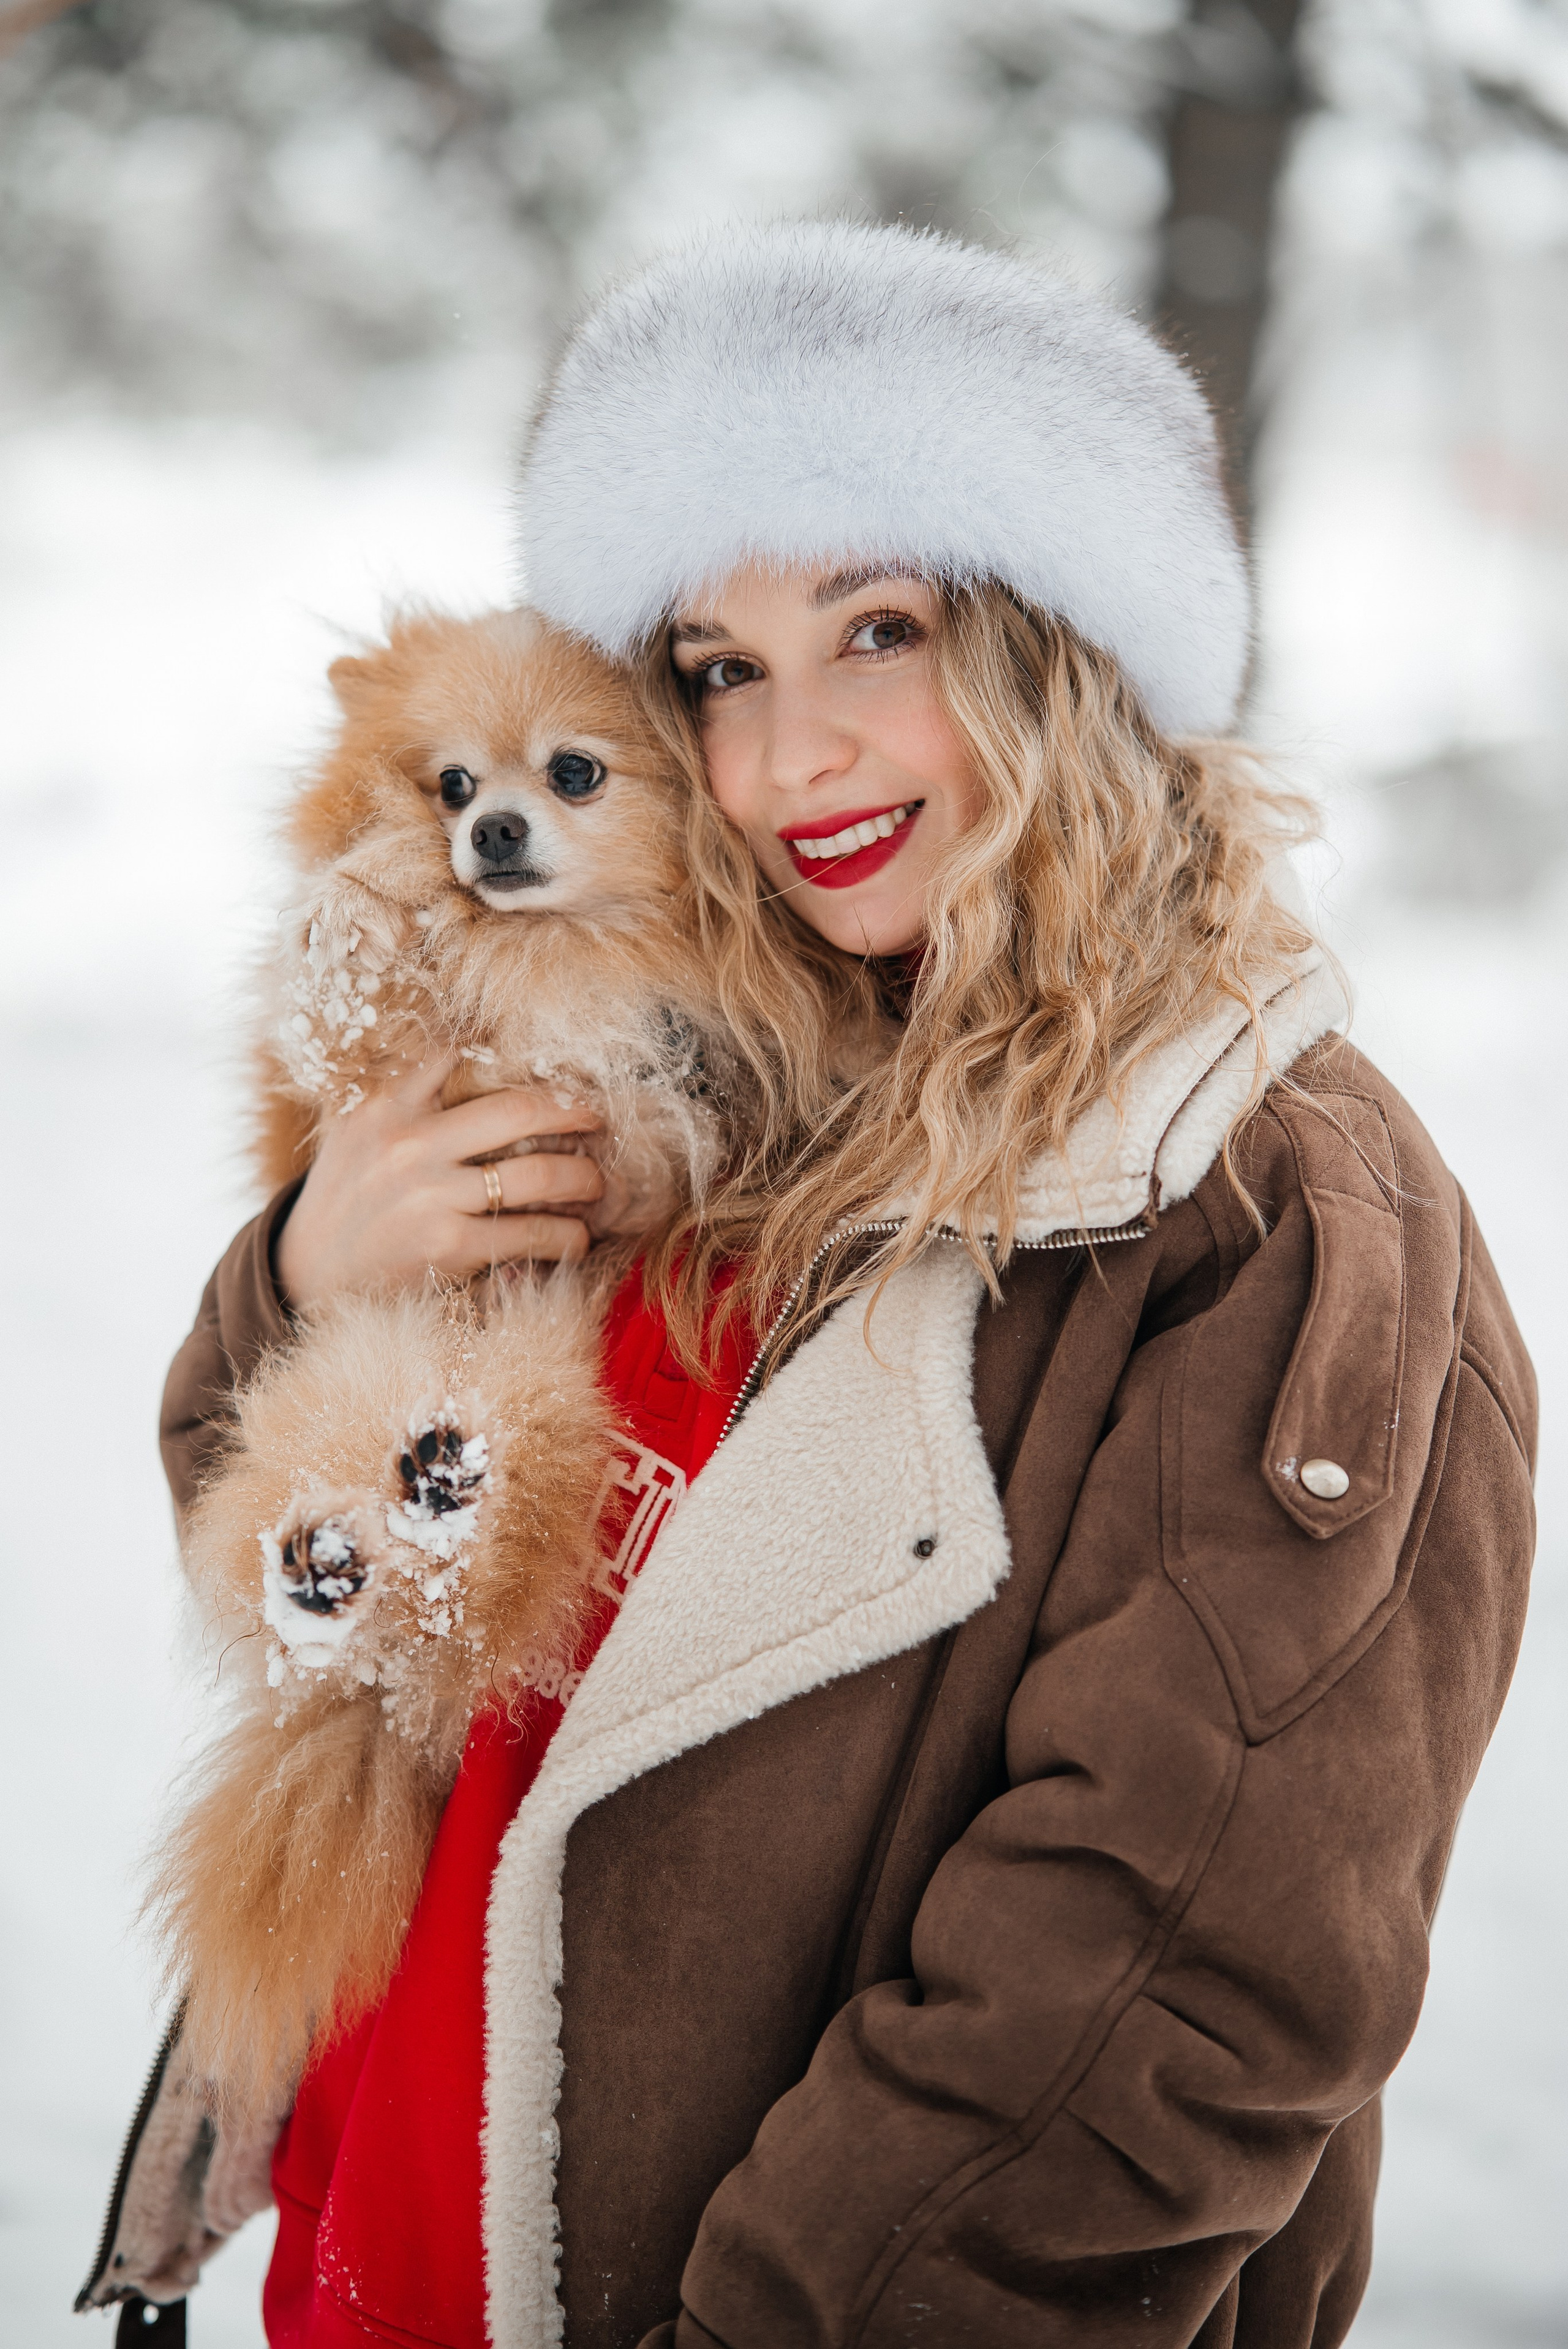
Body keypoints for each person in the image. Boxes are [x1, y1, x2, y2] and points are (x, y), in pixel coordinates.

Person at [82, 223, 1536, 2349]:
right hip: (382, 2236)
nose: (787, 762)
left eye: (881, 628)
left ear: (1072, 643)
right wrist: (312, 1262)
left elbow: (1155, 2004)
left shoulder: (1271, 1218)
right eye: (715, 667)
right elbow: (336, 1565)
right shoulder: (739, 1064)